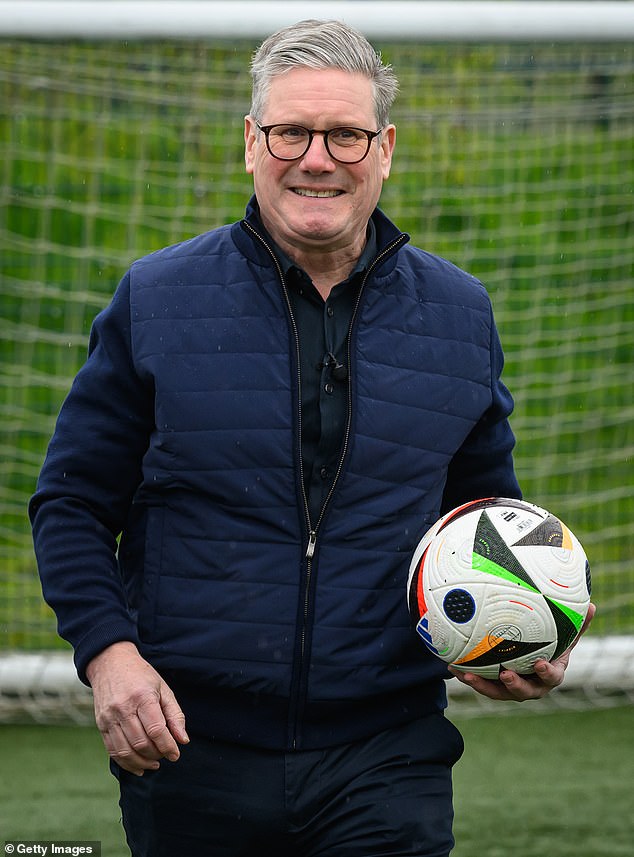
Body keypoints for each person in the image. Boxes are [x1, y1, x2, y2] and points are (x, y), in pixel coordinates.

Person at [29, 19, 594, 857]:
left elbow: (483, 520)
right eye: (291, 131)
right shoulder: (157, 300)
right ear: (251, 143)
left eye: (345, 134)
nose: (317, 157)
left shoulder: (459, 314)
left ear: (386, 147)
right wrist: (109, 653)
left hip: (387, 751)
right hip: (191, 746)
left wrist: (502, 643)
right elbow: (71, 500)